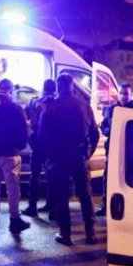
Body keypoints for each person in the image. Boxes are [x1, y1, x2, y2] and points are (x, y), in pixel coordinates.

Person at [40, 74, 99, 246]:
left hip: (59, 157)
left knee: (62, 195)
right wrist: (87, 153)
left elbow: (43, 135)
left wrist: (50, 155)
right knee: (85, 194)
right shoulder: (84, 106)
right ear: (72, 86)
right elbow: (94, 134)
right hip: (79, 155)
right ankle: (91, 233)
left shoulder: (51, 107)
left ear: (58, 87)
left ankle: (65, 234)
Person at [0, 78, 30, 234]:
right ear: (10, 90)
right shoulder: (16, 108)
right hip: (9, 154)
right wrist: (19, 147)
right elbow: (23, 131)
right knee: (13, 188)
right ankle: (14, 220)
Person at [96, 82, 133, 216]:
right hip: (113, 149)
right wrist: (111, 130)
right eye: (122, 93)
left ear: (131, 95)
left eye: (126, 93)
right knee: (108, 177)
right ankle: (105, 205)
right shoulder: (111, 109)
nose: (124, 96)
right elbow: (104, 126)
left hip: (130, 150)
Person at [24, 79, 57, 217]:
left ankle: (32, 206)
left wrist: (30, 135)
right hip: (52, 144)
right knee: (53, 176)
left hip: (37, 143)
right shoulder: (57, 102)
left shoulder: (33, 102)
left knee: (35, 176)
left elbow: (24, 118)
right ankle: (52, 205)